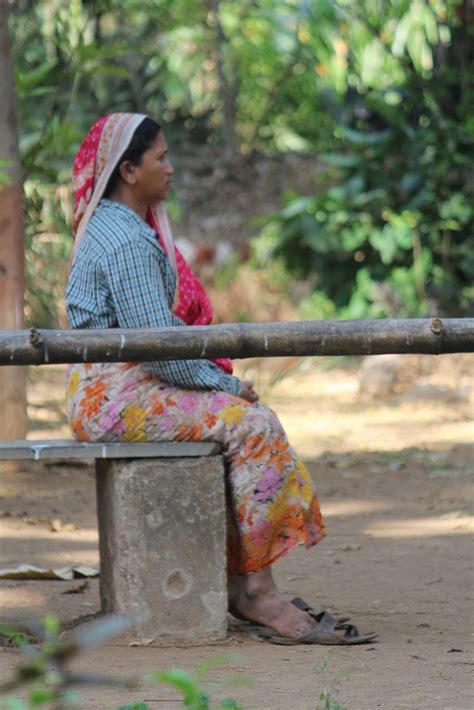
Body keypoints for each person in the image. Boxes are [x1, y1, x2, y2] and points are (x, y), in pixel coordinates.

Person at [66, 113, 375, 645]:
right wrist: (227, 386)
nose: (171, 167)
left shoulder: (115, 226)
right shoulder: (127, 242)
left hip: (107, 390)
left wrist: (214, 380)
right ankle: (256, 591)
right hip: (117, 396)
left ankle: (246, 581)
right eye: (160, 157)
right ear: (129, 171)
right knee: (253, 425)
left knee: (246, 420)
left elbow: (156, 346)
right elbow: (159, 350)